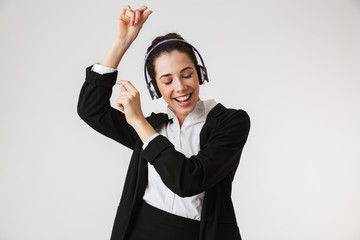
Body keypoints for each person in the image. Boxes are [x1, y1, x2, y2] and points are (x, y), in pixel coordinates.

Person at [77, 4, 251, 240]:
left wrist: (139, 123)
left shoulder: (230, 122)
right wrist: (121, 42)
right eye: (167, 80)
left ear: (199, 72)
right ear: (155, 87)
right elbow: (91, 108)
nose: (180, 87)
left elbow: (188, 181)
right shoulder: (154, 126)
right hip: (140, 229)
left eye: (187, 74)